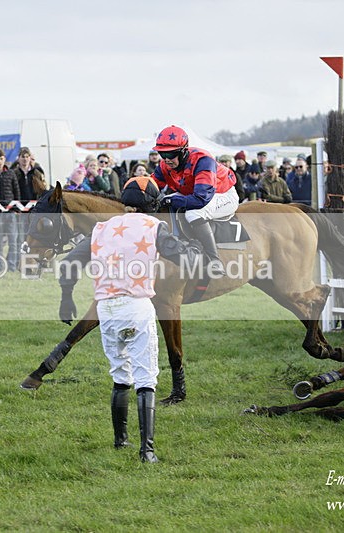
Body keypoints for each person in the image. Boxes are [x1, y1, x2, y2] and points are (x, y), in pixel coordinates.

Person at [56, 177, 202, 463]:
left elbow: (69, 264)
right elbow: (185, 258)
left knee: (120, 376)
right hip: (137, 307)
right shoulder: (153, 227)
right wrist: (195, 248)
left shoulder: (99, 229)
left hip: (107, 311)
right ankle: (147, 451)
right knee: (145, 379)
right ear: (151, 203)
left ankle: (120, 440)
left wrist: (67, 296)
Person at [152, 125, 238, 276]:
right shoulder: (164, 165)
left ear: (183, 151)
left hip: (222, 195)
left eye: (171, 154)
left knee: (193, 213)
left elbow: (200, 199)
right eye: (162, 154)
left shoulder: (203, 160)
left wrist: (172, 201)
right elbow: (152, 187)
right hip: (194, 194)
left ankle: (214, 261)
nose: (166, 160)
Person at [0, 148, 21, 272]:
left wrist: (17, 208)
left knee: (13, 241)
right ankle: (0, 265)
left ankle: (11, 266)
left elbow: (16, 190)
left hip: (11, 212)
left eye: (1, 159)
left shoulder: (10, 173)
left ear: (5, 160)